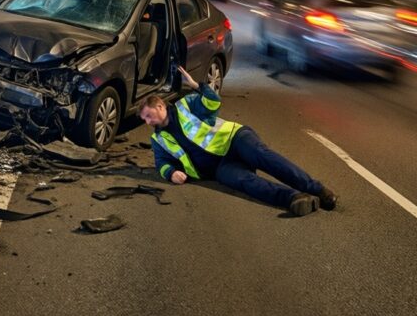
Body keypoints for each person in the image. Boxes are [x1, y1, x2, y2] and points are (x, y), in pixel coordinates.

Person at [139, 66, 338, 216]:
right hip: (220, 167)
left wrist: (197, 86)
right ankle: (294, 198)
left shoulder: (184, 106)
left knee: (263, 156)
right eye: (144, 119)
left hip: (234, 138)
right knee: (244, 182)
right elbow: (161, 163)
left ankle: (317, 190)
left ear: (160, 106)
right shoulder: (158, 139)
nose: (147, 122)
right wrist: (171, 172)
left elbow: (213, 102)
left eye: (148, 115)